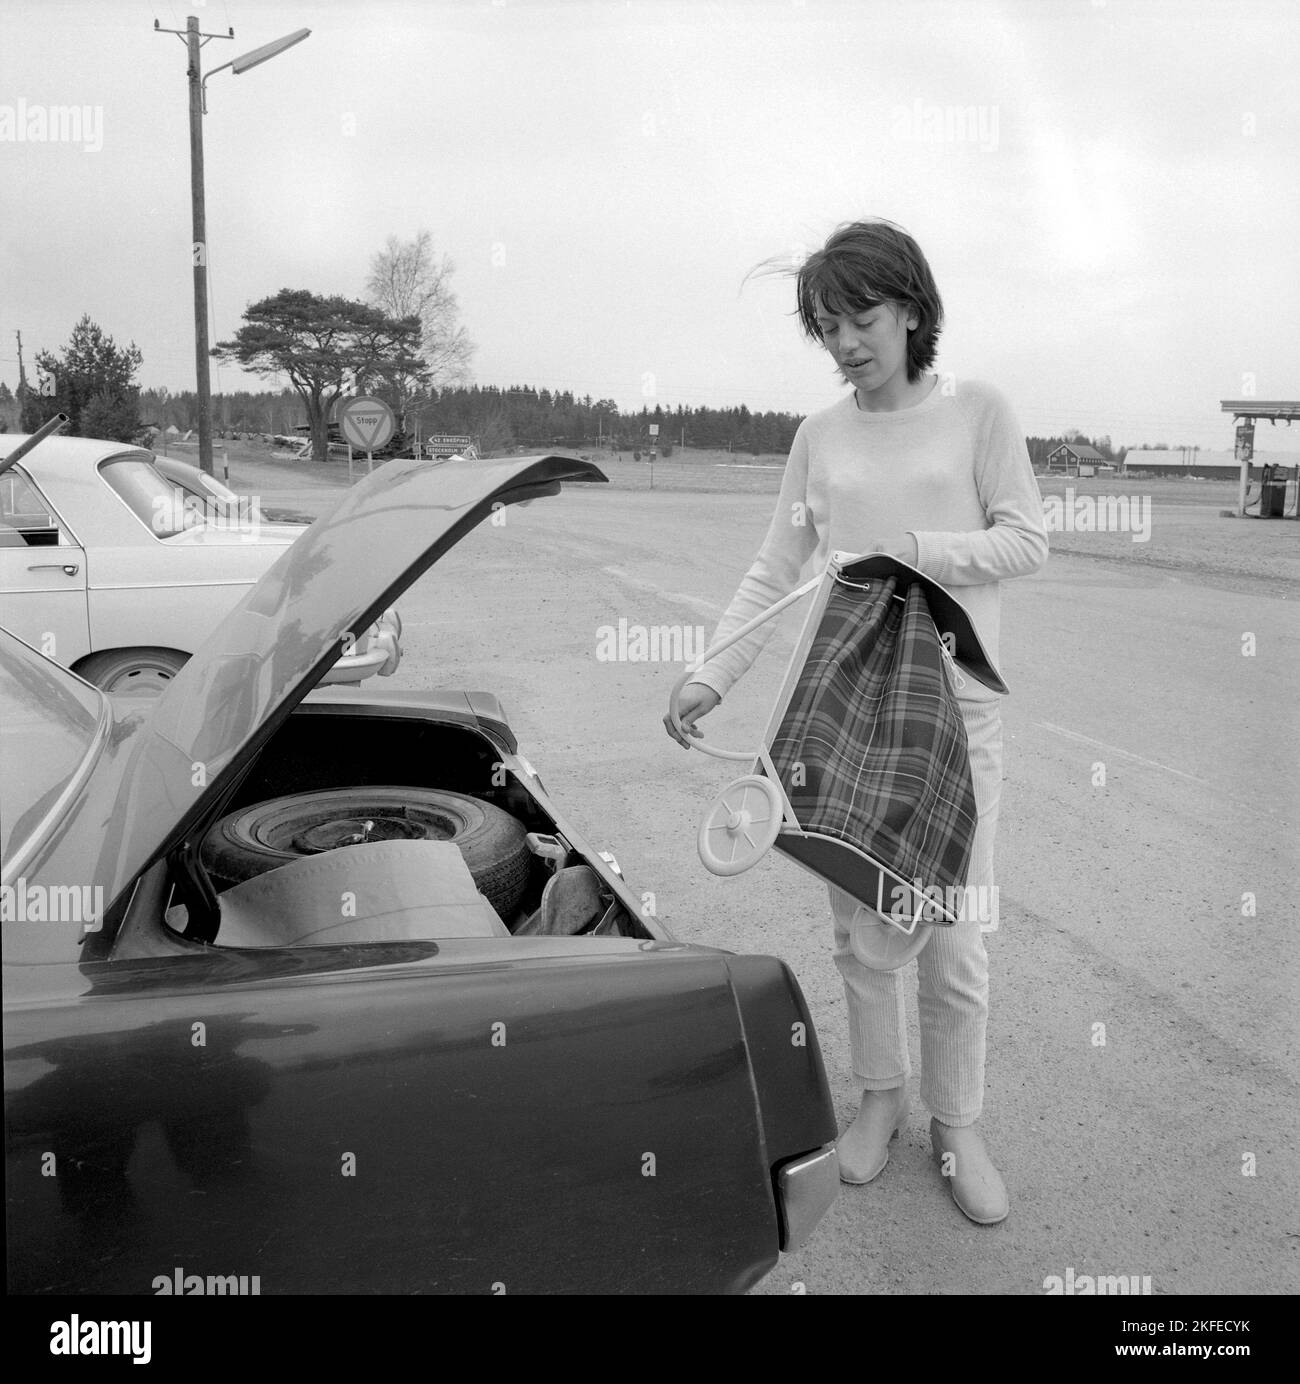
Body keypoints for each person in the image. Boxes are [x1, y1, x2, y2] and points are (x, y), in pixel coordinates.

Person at [663, 219, 1047, 1224]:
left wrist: (917, 549)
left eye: (860, 317)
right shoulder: (818, 438)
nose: (843, 343)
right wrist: (709, 674)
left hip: (959, 715)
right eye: (826, 326)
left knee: (956, 936)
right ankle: (879, 1098)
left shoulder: (979, 413)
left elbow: (1025, 541)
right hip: (836, 712)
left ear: (911, 308)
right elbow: (772, 570)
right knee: (864, 930)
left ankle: (955, 1124)